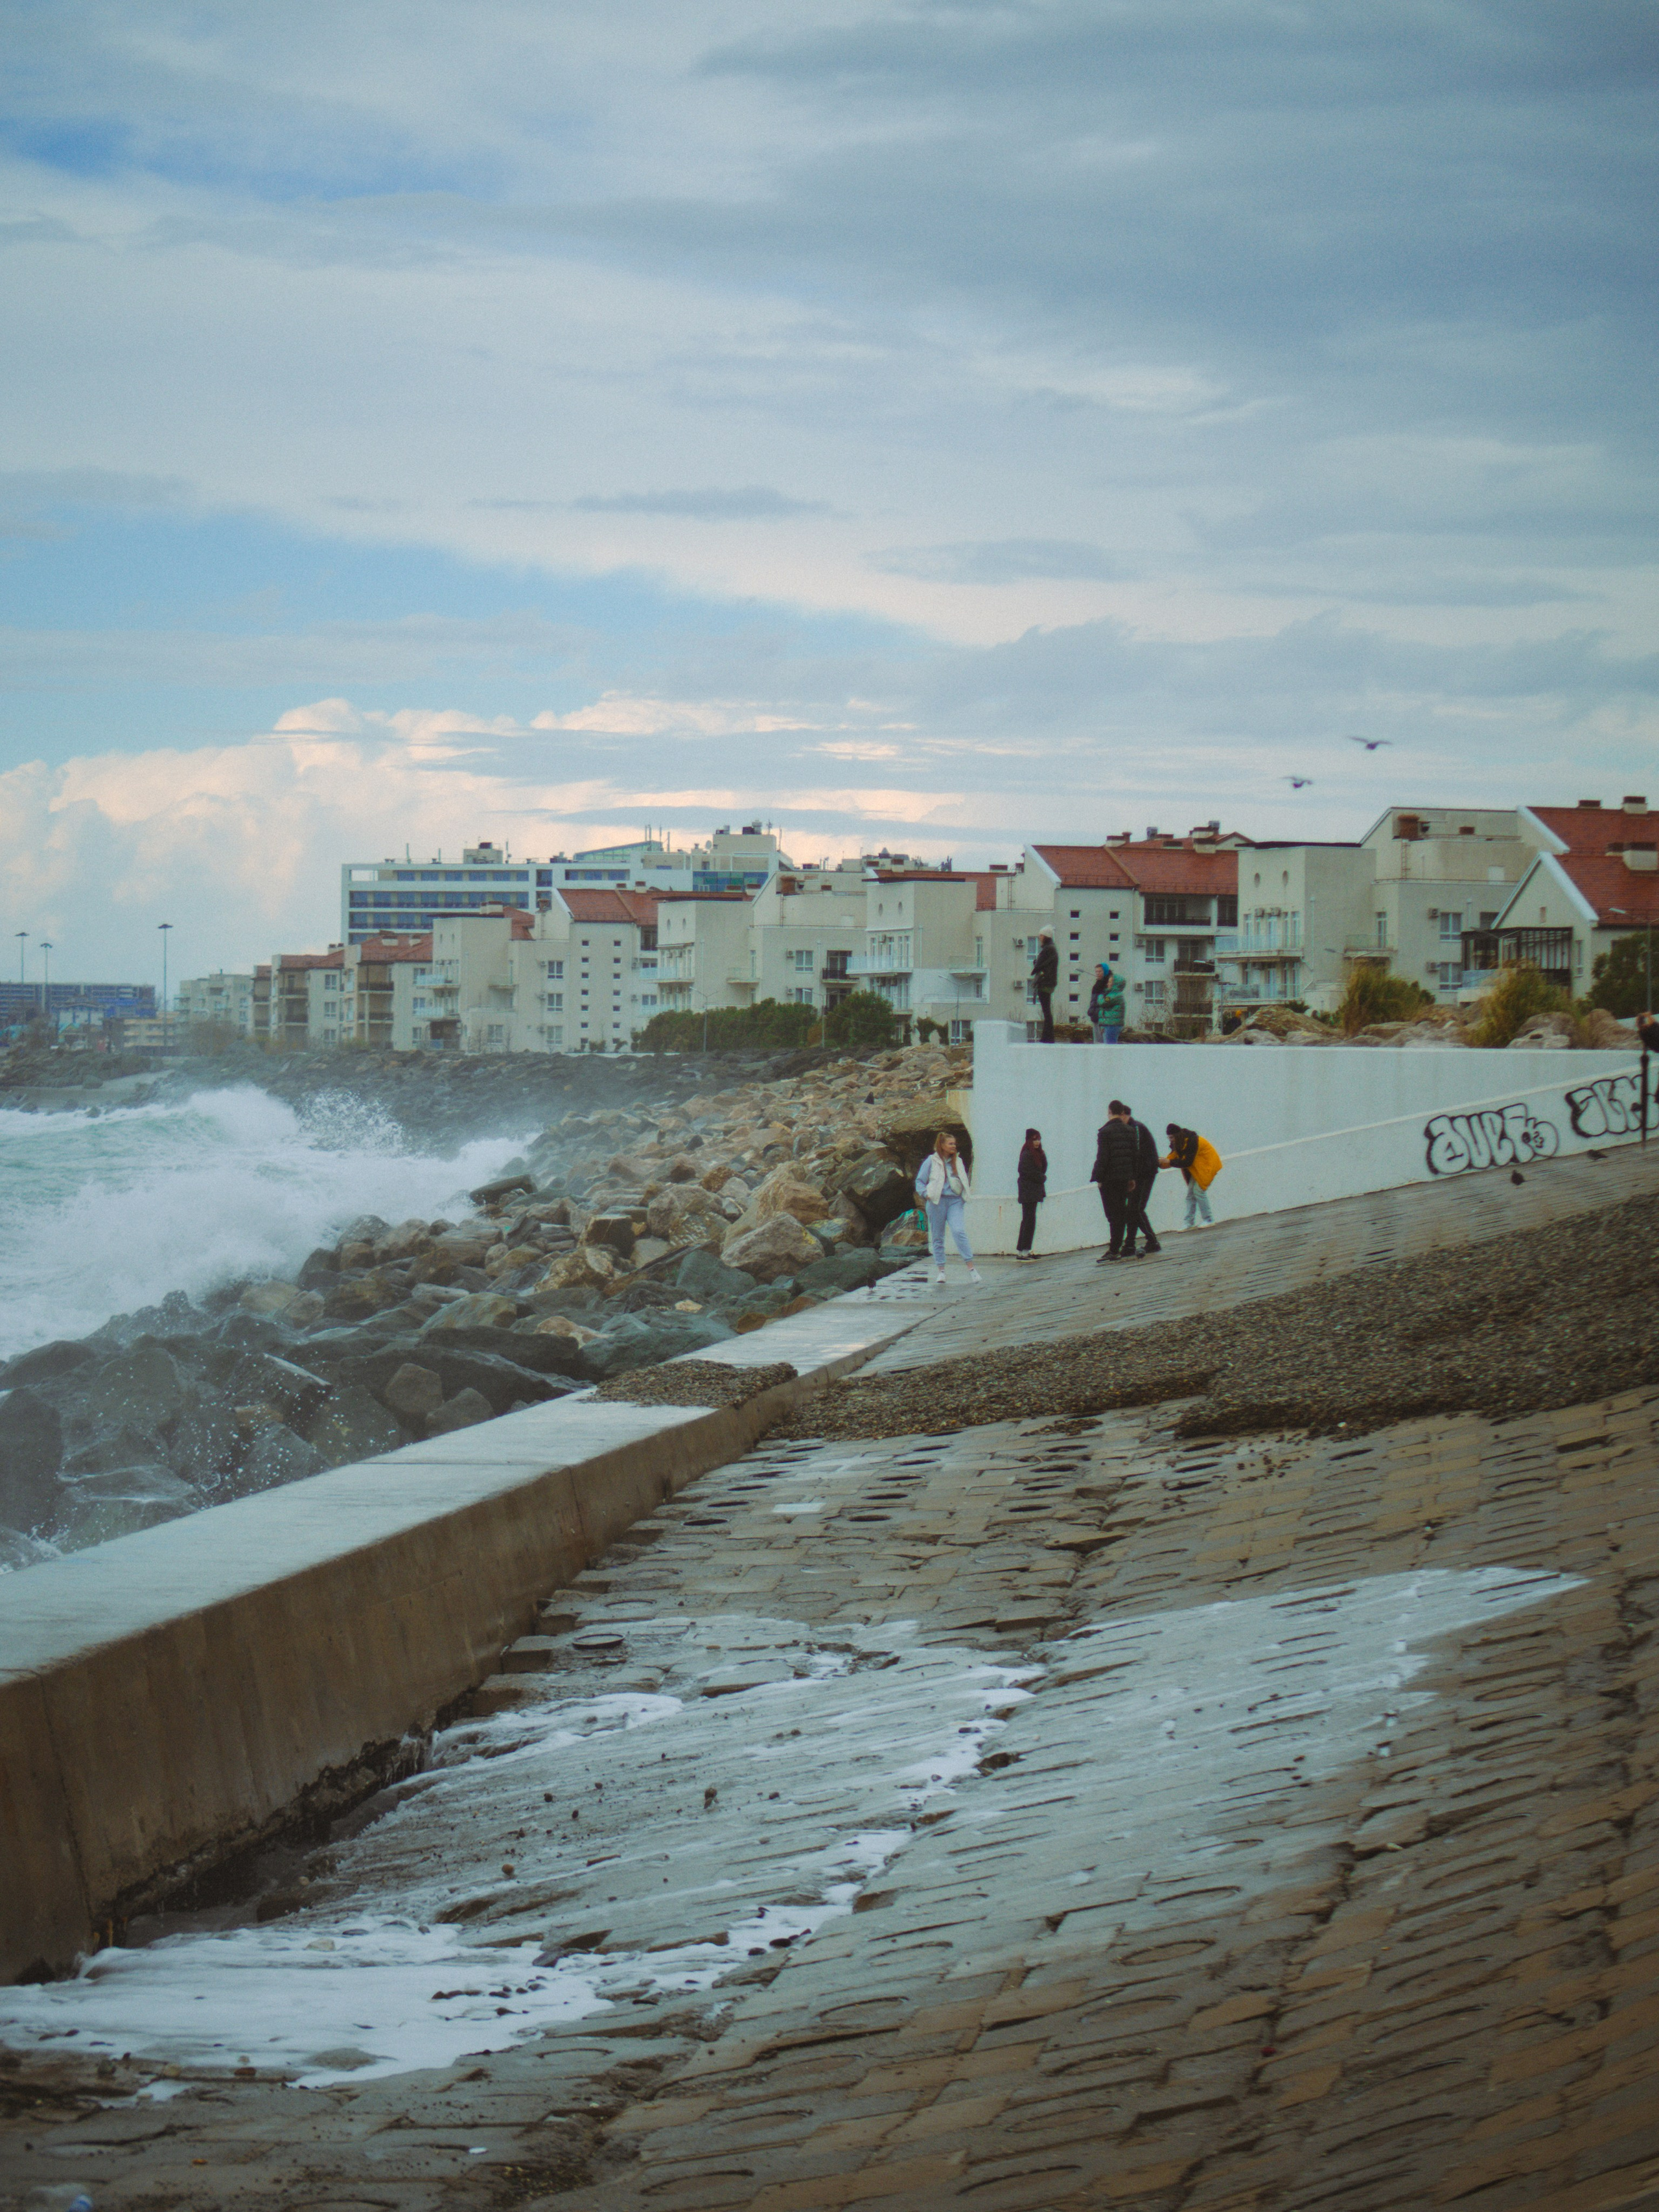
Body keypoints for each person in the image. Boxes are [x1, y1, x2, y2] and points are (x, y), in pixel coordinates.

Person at [917, 1132, 981, 1286]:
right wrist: (926, 1194)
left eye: (954, 1144)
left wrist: (964, 1196)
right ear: (942, 1145)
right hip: (936, 1202)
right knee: (937, 1237)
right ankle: (941, 1271)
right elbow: (920, 1181)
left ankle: (972, 1268)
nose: (954, 1146)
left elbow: (964, 1179)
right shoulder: (931, 1161)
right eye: (950, 1144)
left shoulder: (958, 1161)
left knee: (959, 1231)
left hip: (955, 1201)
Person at [1089, 1097, 1142, 1261]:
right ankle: (1116, 1247)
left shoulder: (1105, 1132)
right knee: (1121, 1213)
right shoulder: (1130, 1131)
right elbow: (1135, 1156)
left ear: (1110, 1112)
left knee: (1112, 1215)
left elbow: (1102, 1157)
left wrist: (1098, 1177)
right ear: (1122, 1112)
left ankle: (1114, 1249)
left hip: (1109, 1179)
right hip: (1125, 1178)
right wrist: (1132, 1177)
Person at [1163, 1122, 1222, 1229]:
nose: (1170, 1140)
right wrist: (1162, 1163)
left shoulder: (1192, 1141)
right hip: (1198, 1169)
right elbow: (1173, 1157)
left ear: (1177, 1136)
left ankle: (1209, 1219)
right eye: (1169, 1138)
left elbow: (1187, 1162)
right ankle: (1189, 1223)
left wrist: (1169, 1162)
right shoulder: (1179, 1144)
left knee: (1198, 1192)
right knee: (1190, 1195)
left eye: (1171, 1137)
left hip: (1207, 1166)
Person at [1015, 1127, 1047, 1259]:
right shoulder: (1027, 1154)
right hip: (1028, 1192)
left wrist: (1042, 1156)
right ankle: (1024, 1251)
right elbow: (1029, 1172)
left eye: (1039, 1139)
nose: (1037, 1142)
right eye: (1035, 1139)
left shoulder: (1037, 1154)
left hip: (1032, 1192)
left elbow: (1043, 1168)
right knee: (1029, 1221)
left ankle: (1024, 1250)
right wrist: (1042, 1178)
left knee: (1028, 1220)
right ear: (1029, 1140)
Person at [1030, 927, 1058, 1043]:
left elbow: (1039, 965)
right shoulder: (1051, 949)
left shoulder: (1048, 949)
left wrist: (1036, 963)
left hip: (1045, 983)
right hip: (1048, 983)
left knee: (1046, 1011)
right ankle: (1048, 1037)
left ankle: (1048, 1038)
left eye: (1041, 935)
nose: (1040, 937)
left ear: (1046, 937)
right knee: (1047, 1011)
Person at [1087, 962, 1125, 1044]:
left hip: (1106, 1019)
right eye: (1096, 972)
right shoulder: (1098, 984)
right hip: (1098, 1016)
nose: (1098, 973)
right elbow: (1094, 1001)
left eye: (1100, 971)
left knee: (1105, 1043)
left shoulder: (1112, 992)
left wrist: (1101, 995)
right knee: (1099, 1042)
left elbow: (1103, 1002)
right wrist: (1092, 1011)